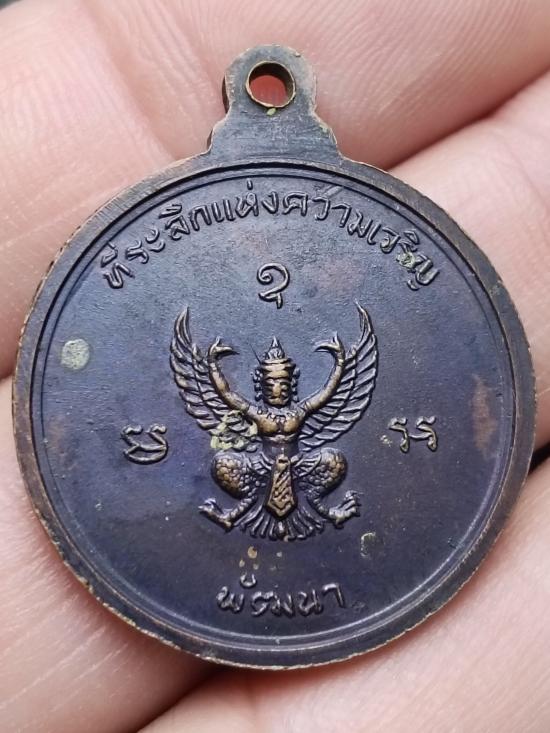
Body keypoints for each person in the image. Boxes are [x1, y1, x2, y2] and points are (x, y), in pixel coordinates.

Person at [1, 0, 550, 731]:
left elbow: (332, 396)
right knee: (231, 464)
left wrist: (333, 367)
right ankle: (243, 511)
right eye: (275, 380)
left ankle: (301, 511)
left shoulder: (297, 407)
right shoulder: (253, 408)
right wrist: (217, 373)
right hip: (253, 477)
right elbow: (224, 399)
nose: (279, 385)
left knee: (327, 461)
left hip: (300, 473)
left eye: (281, 381)